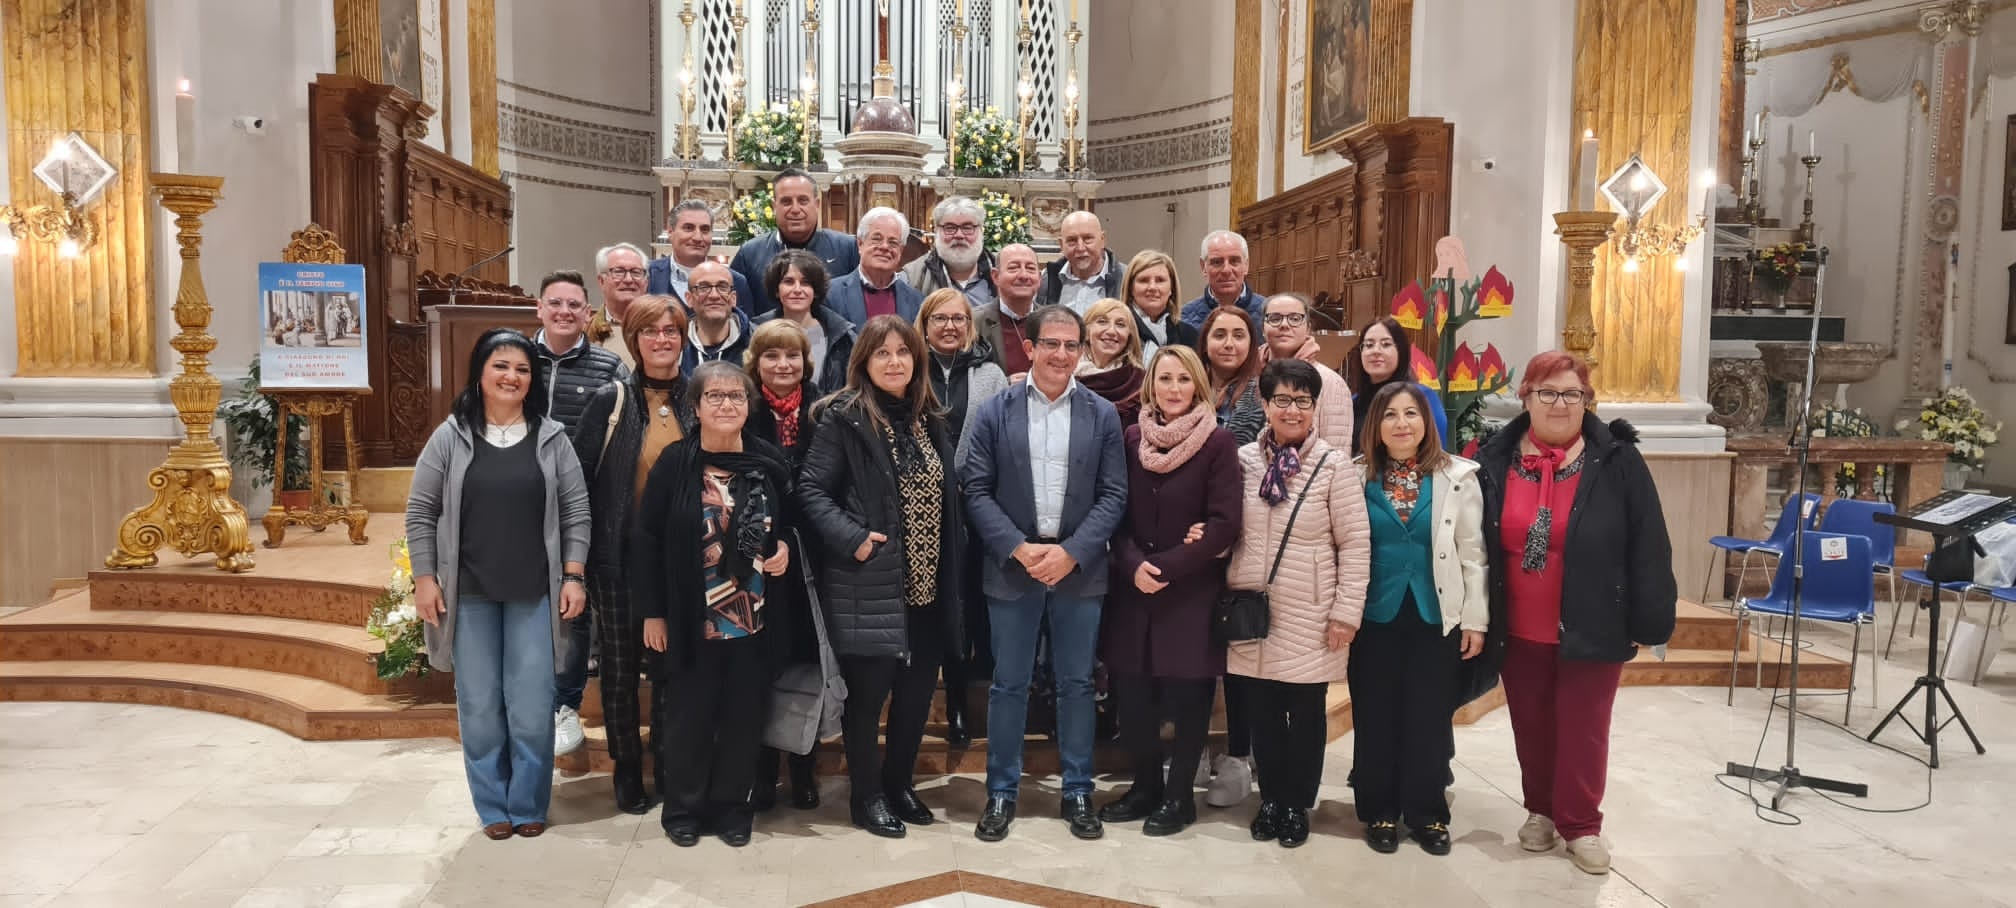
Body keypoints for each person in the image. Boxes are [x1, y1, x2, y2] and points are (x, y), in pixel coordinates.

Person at [1472, 351, 1676, 876]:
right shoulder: (1493, 458)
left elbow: (1649, 543)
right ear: (1526, 397)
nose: (1559, 404)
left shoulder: (1618, 461)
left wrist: (1651, 619)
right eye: (1547, 392)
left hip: (1594, 619)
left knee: (1585, 729)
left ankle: (1582, 825)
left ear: (1588, 401)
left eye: (1572, 394)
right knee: (1531, 725)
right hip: (1517, 624)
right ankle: (1540, 811)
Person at [406, 328, 591, 841]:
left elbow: (577, 512)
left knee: (532, 704)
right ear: (480, 374)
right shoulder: (451, 436)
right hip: (470, 593)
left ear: (533, 380)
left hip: (536, 591)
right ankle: (493, 807)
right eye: (501, 366)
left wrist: (573, 574)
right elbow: (421, 511)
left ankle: (529, 802)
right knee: (481, 704)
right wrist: (426, 577)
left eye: (523, 369)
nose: (512, 377)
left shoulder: (552, 438)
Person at [963, 305, 1129, 843]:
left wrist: (1073, 551)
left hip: (1079, 569)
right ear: (1029, 348)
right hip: (1014, 567)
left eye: (1071, 345)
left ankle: (1078, 789)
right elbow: (976, 489)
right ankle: (1001, 792)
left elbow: (1113, 495)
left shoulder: (1102, 413)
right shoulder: (996, 410)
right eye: (1051, 344)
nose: (1062, 354)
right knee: (1008, 684)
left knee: (1077, 683)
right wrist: (1018, 547)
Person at [798, 315, 966, 839]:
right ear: (864, 362)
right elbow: (811, 492)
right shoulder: (842, 418)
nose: (895, 362)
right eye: (882, 354)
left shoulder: (930, 418)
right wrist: (854, 538)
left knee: (916, 698)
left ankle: (899, 785)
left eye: (903, 352)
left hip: (929, 586)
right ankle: (866, 797)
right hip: (869, 583)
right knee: (869, 701)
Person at [630, 362, 797, 848]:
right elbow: (647, 539)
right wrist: (653, 612)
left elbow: (791, 523)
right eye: (716, 397)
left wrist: (785, 544)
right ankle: (683, 809)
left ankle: (731, 809)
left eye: (737, 397)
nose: (727, 405)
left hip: (754, 620)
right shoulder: (676, 462)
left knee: (744, 720)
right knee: (688, 719)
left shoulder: (767, 461)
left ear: (750, 406)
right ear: (696, 407)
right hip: (690, 618)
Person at [1225, 358, 1369, 849]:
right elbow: (1227, 525)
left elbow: (1354, 543)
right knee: (1262, 711)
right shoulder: (1244, 460)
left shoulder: (1334, 466)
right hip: (1254, 609)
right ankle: (1271, 800)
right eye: (1281, 399)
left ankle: (1297, 804)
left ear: (1315, 406)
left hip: (1312, 609)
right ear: (1265, 404)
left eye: (1302, 400)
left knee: (1306, 714)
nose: (1292, 409)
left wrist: (1346, 613)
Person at [1099, 345, 1242, 836]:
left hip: (1190, 592)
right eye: (1165, 379)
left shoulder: (1218, 443)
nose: (1174, 389)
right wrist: (1135, 564)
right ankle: (1144, 788)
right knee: (1133, 699)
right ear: (1151, 385)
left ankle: (1180, 796)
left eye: (1184, 380)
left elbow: (1223, 525)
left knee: (1188, 702)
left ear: (1198, 385)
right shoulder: (1132, 437)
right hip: (1134, 589)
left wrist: (1167, 566)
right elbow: (1113, 513)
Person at [1348, 382, 1487, 856]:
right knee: (1375, 715)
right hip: (1373, 614)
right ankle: (1379, 808)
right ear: (1375, 426)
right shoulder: (1354, 476)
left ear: (1428, 423)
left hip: (1435, 614)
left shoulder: (1457, 477)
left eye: (1412, 414)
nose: (1402, 424)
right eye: (1390, 415)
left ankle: (1427, 813)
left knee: (1429, 718)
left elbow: (1474, 554)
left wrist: (1476, 620)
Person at [569, 295, 692, 815]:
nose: (662, 340)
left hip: (681, 561)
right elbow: (577, 479)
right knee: (620, 670)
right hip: (617, 558)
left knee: (670, 670)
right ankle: (625, 766)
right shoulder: (610, 399)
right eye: (650, 332)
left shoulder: (700, 396)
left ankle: (666, 761)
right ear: (633, 339)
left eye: (671, 331)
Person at [531, 269, 627, 758]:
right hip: (522, 500)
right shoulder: (516, 360)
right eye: (556, 303)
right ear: (539, 308)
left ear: (587, 314)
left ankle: (564, 704)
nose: (565, 312)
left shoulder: (609, 366)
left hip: (583, 499)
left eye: (574, 305)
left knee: (575, 603)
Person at [738, 319, 827, 813]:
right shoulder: (743, 409)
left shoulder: (823, 409)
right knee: (762, 662)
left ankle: (803, 765)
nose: (783, 365)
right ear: (757, 363)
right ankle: (763, 770)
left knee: (806, 661)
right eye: (771, 356)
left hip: (812, 558)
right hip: (755, 556)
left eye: (791, 355)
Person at [917, 287, 1011, 748]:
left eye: (958, 318)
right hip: (925, 505)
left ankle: (975, 701)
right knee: (941, 603)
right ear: (926, 324)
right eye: (940, 318)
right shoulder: (911, 370)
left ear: (970, 325)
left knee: (976, 599)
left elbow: (999, 438)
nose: (950, 326)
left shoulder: (991, 374)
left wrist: (972, 481)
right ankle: (947, 700)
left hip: (979, 503)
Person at [1196, 305, 1265, 806]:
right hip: (1192, 537)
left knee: (1240, 652)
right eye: (1218, 334)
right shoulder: (1189, 388)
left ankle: (1241, 752)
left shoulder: (1265, 394)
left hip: (1248, 534)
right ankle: (1193, 745)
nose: (1227, 343)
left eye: (1238, 335)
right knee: (1196, 651)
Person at [730, 167, 861, 316]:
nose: (795, 209)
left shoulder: (847, 249)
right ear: (774, 207)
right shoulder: (749, 254)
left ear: (817, 204)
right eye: (786, 202)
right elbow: (738, 312)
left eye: (803, 201)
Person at [1259, 293, 1354, 451]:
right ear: (1263, 328)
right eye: (1275, 318)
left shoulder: (1330, 382)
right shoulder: (1250, 375)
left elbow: (1336, 457)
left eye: (1295, 318)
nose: (1284, 325)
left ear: (1308, 328)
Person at [754, 249, 857, 394]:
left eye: (805, 283)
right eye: (789, 282)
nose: (797, 289)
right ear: (777, 289)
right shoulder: (755, 331)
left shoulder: (842, 336)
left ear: (815, 290)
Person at [1345, 315, 1447, 455]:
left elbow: (1437, 451)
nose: (1375, 351)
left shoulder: (1422, 396)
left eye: (1386, 344)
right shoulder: (1354, 402)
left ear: (1401, 351)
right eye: (1368, 345)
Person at [649, 199, 754, 317]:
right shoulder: (648, 275)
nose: (698, 237)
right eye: (688, 228)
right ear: (670, 232)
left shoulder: (736, 281)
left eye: (705, 229)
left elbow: (745, 331)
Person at [827, 207, 924, 328]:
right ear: (860, 244)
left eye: (893, 242)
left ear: (901, 250)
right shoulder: (830, 294)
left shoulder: (917, 301)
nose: (884, 247)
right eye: (876, 239)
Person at [903, 195, 997, 308]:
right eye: (950, 228)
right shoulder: (912, 276)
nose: (959, 235)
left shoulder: (1002, 269)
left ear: (981, 230)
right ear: (936, 231)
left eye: (967, 228)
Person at [973, 243, 1043, 378]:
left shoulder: (1053, 321)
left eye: (1030, 268)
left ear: (1039, 278)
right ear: (995, 276)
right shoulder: (974, 322)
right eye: (1013, 268)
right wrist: (1003, 386)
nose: (1023, 275)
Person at [1077, 298, 1146, 430]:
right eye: (1102, 322)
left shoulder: (1142, 383)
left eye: (1120, 324)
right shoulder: (1065, 380)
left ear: (1129, 336)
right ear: (1086, 332)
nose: (1111, 331)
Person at [1179, 230, 1266, 331]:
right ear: (1203, 267)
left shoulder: (1269, 315)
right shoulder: (1183, 319)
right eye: (1217, 262)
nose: (1226, 270)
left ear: (1246, 265)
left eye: (1234, 261)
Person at [1040, 210, 1124, 313]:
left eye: (1087, 238)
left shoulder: (1126, 278)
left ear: (1102, 240)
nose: (1080, 248)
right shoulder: (1046, 280)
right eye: (1072, 240)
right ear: (1061, 245)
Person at [682, 260, 754, 376]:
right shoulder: (676, 347)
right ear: (689, 299)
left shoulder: (755, 344)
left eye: (722, 287)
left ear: (733, 298)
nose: (714, 295)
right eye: (703, 287)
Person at [1123, 250, 1196, 363]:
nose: (1152, 287)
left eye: (1160, 280)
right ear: (1131, 288)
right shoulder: (1119, 331)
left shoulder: (1188, 335)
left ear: (1171, 288)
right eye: (1143, 280)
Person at [589, 242, 651, 367]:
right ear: (601, 281)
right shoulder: (585, 332)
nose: (628, 279)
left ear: (646, 282)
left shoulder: (662, 330)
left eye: (636, 272)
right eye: (618, 272)